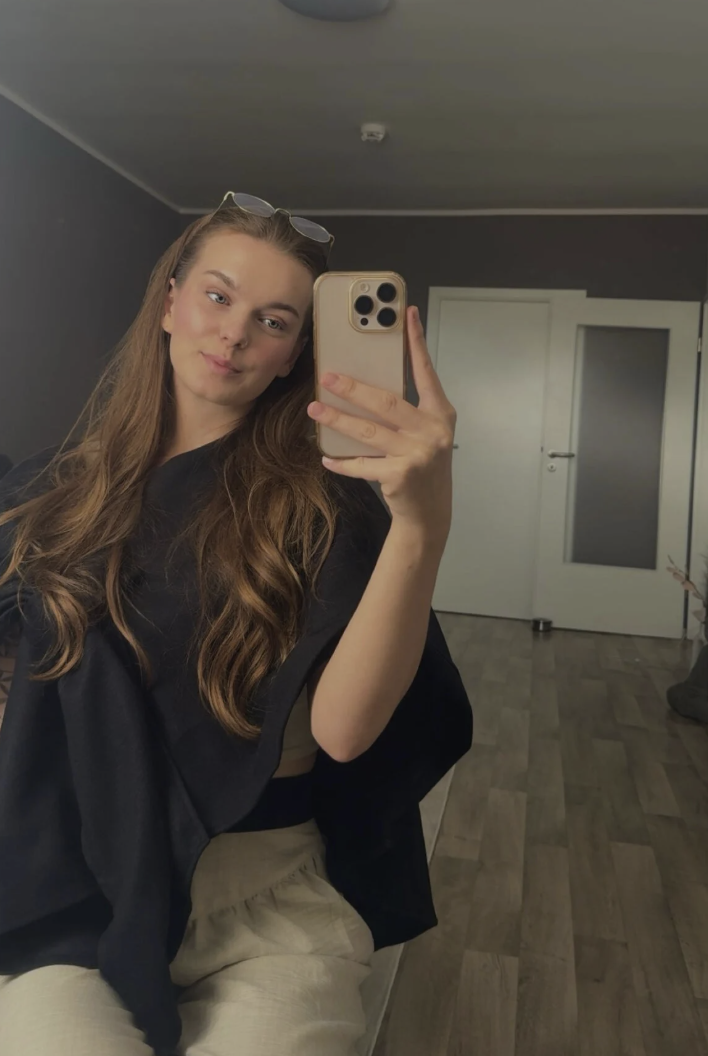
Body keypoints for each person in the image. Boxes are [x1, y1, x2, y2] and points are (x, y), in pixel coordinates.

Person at [0, 193, 473, 1056]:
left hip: (263, 901)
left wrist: (421, 526)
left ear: (294, 354)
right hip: (78, 888)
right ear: (170, 300)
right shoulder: (51, 491)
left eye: (273, 320)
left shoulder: (328, 510)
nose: (234, 333)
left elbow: (344, 732)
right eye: (218, 296)